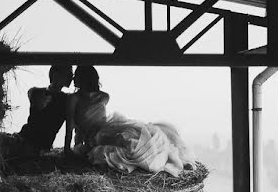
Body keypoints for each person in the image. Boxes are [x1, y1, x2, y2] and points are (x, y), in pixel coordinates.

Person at [65, 66, 195, 176]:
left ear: (84, 78)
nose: (73, 79)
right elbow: (70, 125)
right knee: (130, 144)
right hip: (97, 134)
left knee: (138, 138)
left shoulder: (98, 97)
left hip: (105, 130)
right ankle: (168, 161)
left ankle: (174, 161)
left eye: (77, 75)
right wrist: (68, 149)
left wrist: (68, 148)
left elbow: (75, 124)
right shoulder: (84, 98)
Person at [1, 65, 74, 160]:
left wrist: (67, 149)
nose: (71, 77)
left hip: (34, 147)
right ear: (56, 75)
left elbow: (69, 127)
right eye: (68, 73)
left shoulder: (67, 100)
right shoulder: (36, 92)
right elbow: (33, 95)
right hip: (23, 140)